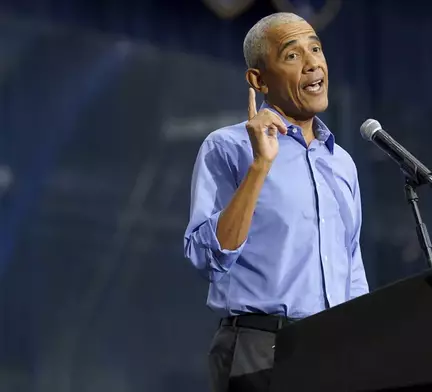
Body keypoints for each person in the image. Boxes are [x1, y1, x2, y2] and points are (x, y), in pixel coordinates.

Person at [183, 12, 369, 392]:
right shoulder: (228, 147)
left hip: (334, 348)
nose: (313, 62)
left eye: (316, 48)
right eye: (292, 55)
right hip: (259, 348)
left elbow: (352, 267)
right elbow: (206, 257)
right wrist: (260, 166)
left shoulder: (342, 162)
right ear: (258, 79)